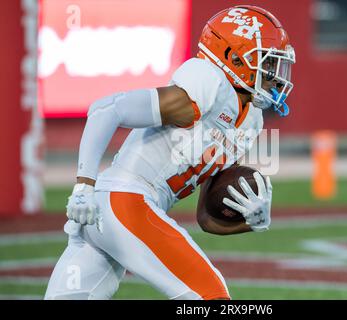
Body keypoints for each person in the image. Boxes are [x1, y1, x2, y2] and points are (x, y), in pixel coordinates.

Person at [44, 5, 296, 300]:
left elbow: (207, 217)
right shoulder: (209, 82)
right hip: (125, 200)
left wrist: (249, 222)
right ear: (234, 57)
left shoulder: (252, 120)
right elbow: (106, 109)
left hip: (109, 214)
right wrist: (84, 185)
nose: (275, 76)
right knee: (211, 297)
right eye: (266, 64)